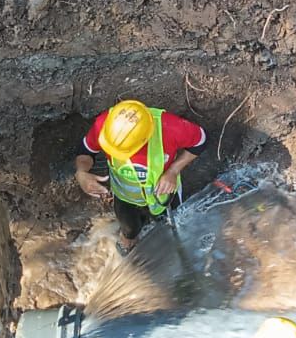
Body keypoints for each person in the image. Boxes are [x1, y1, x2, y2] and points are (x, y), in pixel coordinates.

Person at [74, 99, 207, 255]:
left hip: (163, 195)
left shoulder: (170, 127)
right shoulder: (105, 124)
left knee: (169, 225)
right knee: (129, 228)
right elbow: (86, 151)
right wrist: (81, 173)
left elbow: (200, 141)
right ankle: (129, 240)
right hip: (125, 195)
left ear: (144, 139)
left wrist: (173, 171)